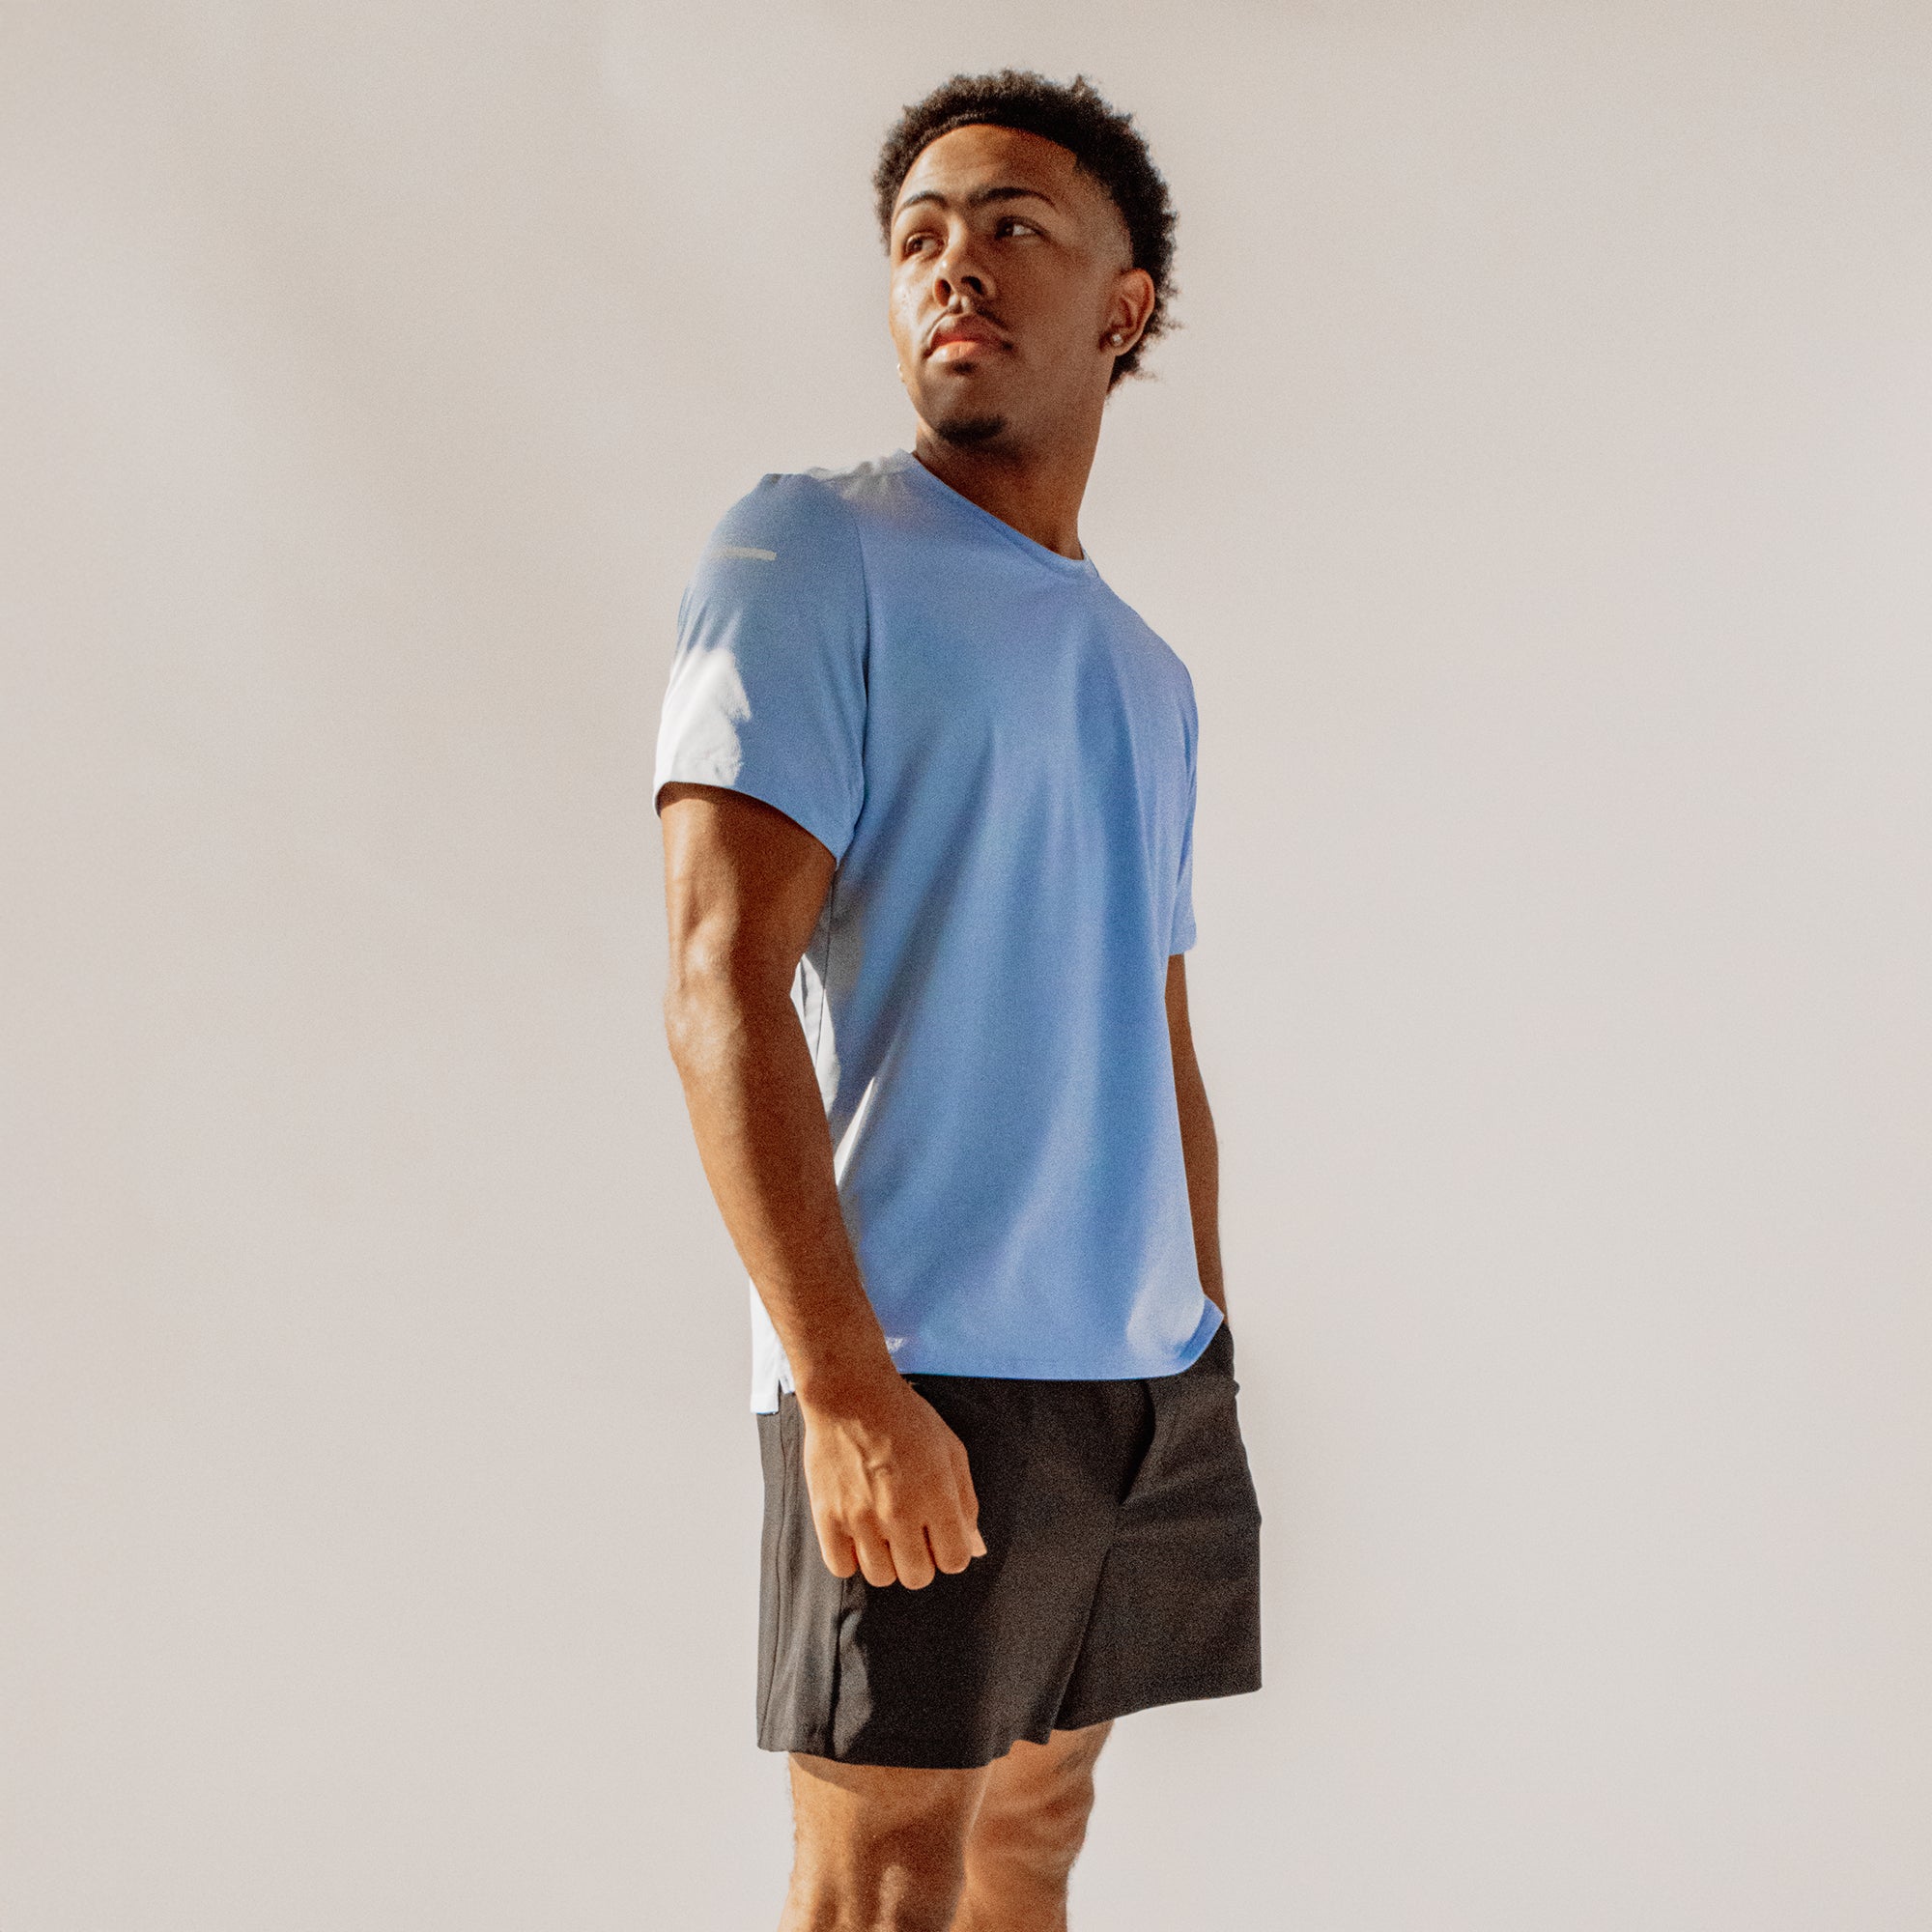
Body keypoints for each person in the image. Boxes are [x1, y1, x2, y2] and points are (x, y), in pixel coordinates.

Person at [654, 68, 1262, 1932]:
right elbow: (718, 980)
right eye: (920, 235)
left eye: (1013, 226)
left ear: (1125, 305)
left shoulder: (1146, 671)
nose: (955, 265)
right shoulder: (808, 550)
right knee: (883, 1881)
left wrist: (1203, 1349)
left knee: (1035, 1840)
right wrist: (845, 1385)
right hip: (921, 1361)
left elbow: (1156, 1037)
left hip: (1138, 1373)